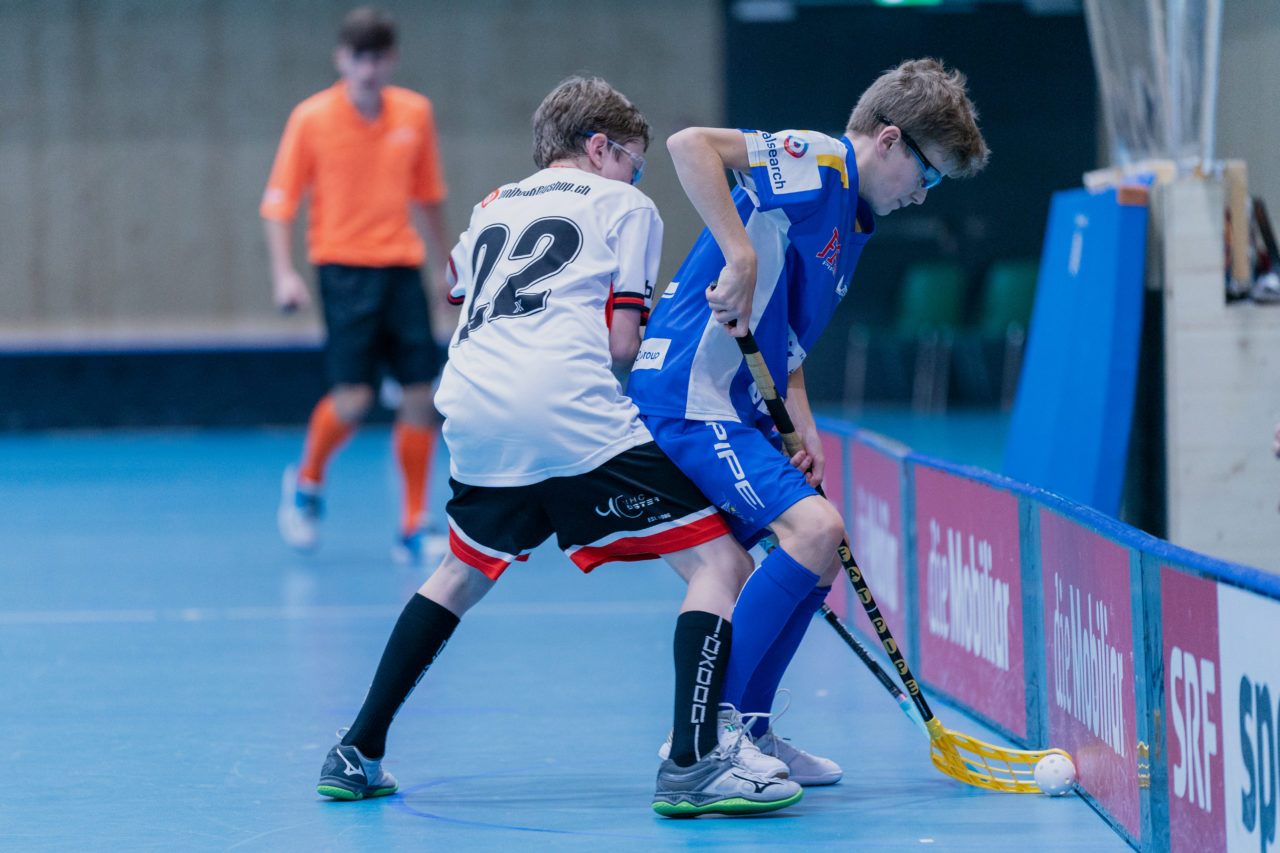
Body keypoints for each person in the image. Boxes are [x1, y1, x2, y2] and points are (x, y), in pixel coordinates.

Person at [314, 75, 803, 818]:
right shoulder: (625, 206)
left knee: (460, 571)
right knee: (720, 561)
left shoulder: (488, 209)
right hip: (568, 411)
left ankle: (356, 748)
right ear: (598, 147)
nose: (638, 178)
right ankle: (695, 758)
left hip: (474, 410)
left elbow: (461, 290)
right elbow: (621, 341)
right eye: (633, 162)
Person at [628, 58, 990, 783]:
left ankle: (752, 728)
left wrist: (804, 426)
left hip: (737, 406)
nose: (924, 195)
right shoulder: (820, 162)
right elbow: (690, 145)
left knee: (821, 542)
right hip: (689, 396)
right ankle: (707, 734)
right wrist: (735, 251)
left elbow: (785, 338)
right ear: (889, 140)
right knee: (815, 530)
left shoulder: (853, 226)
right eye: (929, 174)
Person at [261, 7, 452, 563]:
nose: (367, 69)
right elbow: (279, 202)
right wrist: (283, 273)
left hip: (401, 268)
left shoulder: (415, 114)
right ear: (342, 59)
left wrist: (446, 264)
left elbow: (428, 195)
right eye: (357, 57)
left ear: (389, 60)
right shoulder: (311, 118)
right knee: (354, 398)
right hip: (342, 271)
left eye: (377, 58)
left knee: (420, 396)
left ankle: (413, 523)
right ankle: (307, 480)